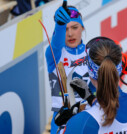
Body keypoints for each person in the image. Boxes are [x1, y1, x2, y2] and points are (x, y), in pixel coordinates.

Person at [61, 37, 127, 134]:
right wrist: (90, 98)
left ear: (90, 73)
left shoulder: (82, 122)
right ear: (120, 69)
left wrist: (64, 127)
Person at [45, 4, 93, 133]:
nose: (70, 33)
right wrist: (59, 27)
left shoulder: (92, 52)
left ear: (82, 28)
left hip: (90, 116)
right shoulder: (55, 54)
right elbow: (55, 44)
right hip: (63, 119)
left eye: (74, 27)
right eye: (65, 29)